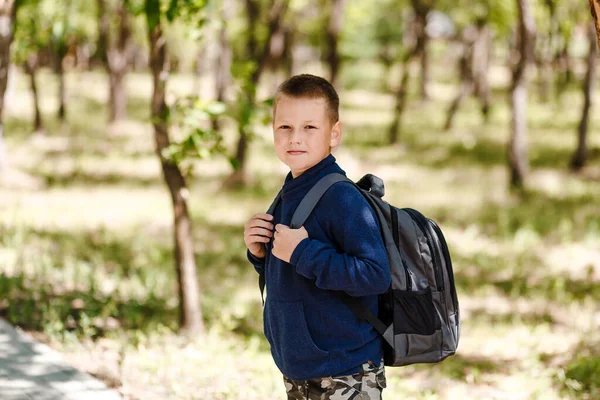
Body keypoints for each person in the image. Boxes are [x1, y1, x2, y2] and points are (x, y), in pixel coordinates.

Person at [243, 74, 391, 399]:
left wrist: (303, 253)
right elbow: (290, 273)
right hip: (301, 368)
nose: (296, 138)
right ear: (273, 132)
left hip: (346, 371)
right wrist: (259, 254)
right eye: (285, 127)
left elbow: (376, 275)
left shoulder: (341, 197)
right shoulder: (289, 192)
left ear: (333, 133)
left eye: (309, 127)